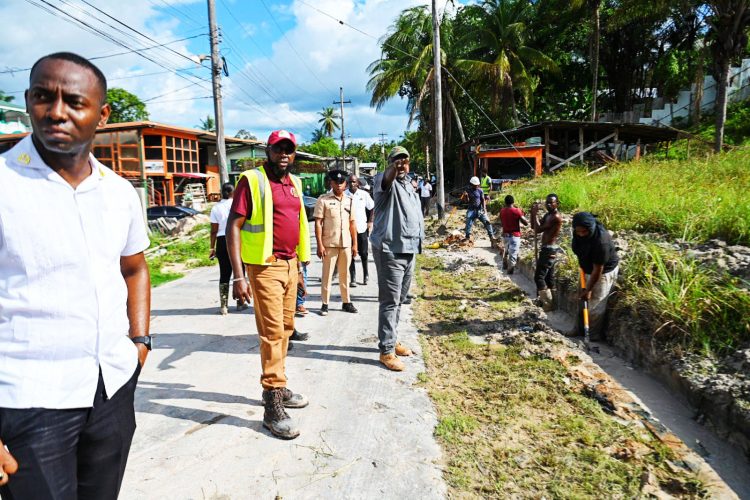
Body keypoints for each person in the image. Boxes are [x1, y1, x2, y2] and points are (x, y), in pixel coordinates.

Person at [0, 52, 151, 498]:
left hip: (112, 390)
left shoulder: (119, 192)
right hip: (30, 400)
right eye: (44, 97)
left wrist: (139, 343)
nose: (57, 112)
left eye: (74, 101)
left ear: (102, 115)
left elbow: (135, 267)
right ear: (28, 101)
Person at [226, 129, 311, 440]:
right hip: (264, 266)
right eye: (278, 149)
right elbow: (232, 226)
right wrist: (239, 275)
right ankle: (272, 403)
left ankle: (279, 384)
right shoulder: (253, 180)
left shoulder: (296, 183)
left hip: (290, 266)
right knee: (273, 333)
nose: (284, 154)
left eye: (289, 149)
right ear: (268, 151)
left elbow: (301, 225)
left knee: (287, 329)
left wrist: (300, 268)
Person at [370, 146, 425, 371]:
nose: (401, 165)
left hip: (408, 249)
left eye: (405, 161)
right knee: (390, 301)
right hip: (390, 249)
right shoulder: (383, 182)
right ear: (390, 163)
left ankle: (392, 340)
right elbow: (387, 178)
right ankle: (386, 351)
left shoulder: (409, 184)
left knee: (400, 300)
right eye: (396, 161)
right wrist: (394, 167)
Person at [314, 170, 359, 315]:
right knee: (327, 275)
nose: (339, 185)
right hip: (329, 244)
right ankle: (325, 304)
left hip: (345, 244)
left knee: (344, 274)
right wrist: (320, 244)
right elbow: (318, 223)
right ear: (331, 183)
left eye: (342, 183)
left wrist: (355, 244)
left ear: (345, 184)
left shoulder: (349, 200)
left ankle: (346, 302)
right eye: (336, 182)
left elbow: (352, 224)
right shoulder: (323, 200)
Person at [571, 212, 620, 339]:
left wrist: (589, 289)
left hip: (603, 272)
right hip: (586, 269)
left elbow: (598, 269)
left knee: (595, 305)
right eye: (578, 231)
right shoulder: (577, 232)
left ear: (590, 229)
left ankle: (592, 336)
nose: (581, 234)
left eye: (584, 232)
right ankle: (579, 330)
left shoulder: (601, 241)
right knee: (581, 300)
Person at [210, 182, 250, 315]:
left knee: (224, 273)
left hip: (221, 241)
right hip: (237, 240)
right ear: (234, 193)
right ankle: (240, 302)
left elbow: (213, 230)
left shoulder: (216, 208)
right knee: (239, 271)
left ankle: (224, 305)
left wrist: (212, 248)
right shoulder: (237, 205)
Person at [530, 194, 563, 311]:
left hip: (549, 249)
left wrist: (535, 214)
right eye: (547, 202)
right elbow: (534, 227)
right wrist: (532, 214)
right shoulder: (548, 215)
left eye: (551, 202)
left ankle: (548, 305)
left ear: (557, 203)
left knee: (539, 277)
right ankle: (552, 303)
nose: (548, 204)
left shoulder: (556, 217)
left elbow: (539, 229)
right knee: (548, 278)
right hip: (547, 248)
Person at [346, 173, 374, 287]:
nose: (352, 183)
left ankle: (365, 274)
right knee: (350, 254)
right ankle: (352, 277)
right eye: (350, 182)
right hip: (348, 230)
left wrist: (370, 222)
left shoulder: (363, 194)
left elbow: (372, 207)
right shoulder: (344, 195)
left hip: (361, 228)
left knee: (364, 253)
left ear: (357, 182)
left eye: (354, 181)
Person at [499, 195, 528, 274]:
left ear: (505, 202)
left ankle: (505, 264)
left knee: (506, 250)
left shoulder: (502, 211)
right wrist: (522, 215)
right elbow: (525, 223)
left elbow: (502, 222)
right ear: (513, 202)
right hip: (514, 235)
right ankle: (510, 271)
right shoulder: (517, 211)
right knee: (513, 254)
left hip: (505, 235)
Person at [464, 176, 497, 242]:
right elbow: (466, 201)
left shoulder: (480, 190)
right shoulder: (468, 191)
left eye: (477, 185)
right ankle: (468, 237)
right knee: (468, 222)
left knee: (487, 222)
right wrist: (466, 196)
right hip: (471, 210)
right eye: (475, 185)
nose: (476, 186)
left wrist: (484, 208)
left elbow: (482, 200)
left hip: (480, 210)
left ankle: (491, 236)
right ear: (472, 184)